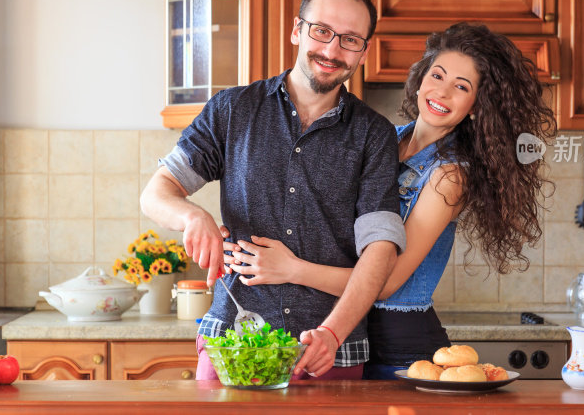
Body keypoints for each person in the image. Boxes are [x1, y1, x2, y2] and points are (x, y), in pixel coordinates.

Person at [222, 22, 556, 379]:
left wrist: (291, 269)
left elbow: (387, 281)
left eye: (461, 87)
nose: (441, 93)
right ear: (420, 77)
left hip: (399, 343)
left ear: (477, 105)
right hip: (347, 328)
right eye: (437, 75)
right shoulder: (383, 137)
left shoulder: (450, 176)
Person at [140, 0, 406, 380]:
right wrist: (192, 217)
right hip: (232, 343)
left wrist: (332, 333)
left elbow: (380, 250)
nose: (332, 50)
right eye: (322, 31)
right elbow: (156, 193)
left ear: (364, 51)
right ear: (297, 30)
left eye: (350, 39)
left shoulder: (375, 135)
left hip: (330, 352)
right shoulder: (233, 109)